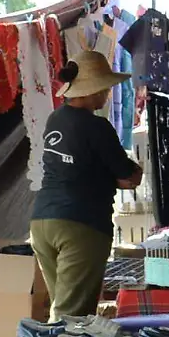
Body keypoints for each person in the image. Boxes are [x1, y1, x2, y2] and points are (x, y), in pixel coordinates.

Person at [28, 50, 141, 319]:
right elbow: (130, 176)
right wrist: (113, 176)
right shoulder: (98, 127)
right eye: (106, 88)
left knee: (62, 309)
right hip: (81, 225)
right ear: (93, 90)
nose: (108, 94)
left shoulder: (55, 119)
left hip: (42, 221)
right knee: (72, 318)